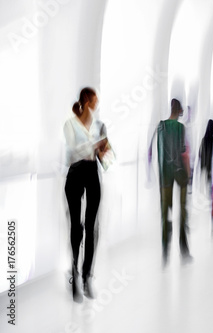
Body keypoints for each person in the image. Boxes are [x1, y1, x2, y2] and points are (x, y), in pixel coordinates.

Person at [64, 87, 110, 302]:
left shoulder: (100, 126)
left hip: (92, 173)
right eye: (95, 101)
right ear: (86, 101)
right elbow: (74, 151)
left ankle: (86, 276)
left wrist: (103, 150)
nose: (97, 105)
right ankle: (73, 274)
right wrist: (94, 146)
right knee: (76, 227)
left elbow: (107, 159)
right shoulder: (70, 124)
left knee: (92, 227)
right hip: (75, 173)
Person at [149, 98, 192, 266]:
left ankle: (165, 252)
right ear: (179, 110)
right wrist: (188, 173)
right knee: (182, 211)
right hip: (180, 172)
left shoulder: (160, 126)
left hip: (164, 173)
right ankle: (183, 250)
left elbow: (154, 151)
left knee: (164, 211)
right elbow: (183, 152)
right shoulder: (181, 127)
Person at [199, 119, 213, 238]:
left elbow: (201, 157)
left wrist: (203, 171)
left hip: (209, 174)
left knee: (212, 199)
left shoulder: (203, 140)